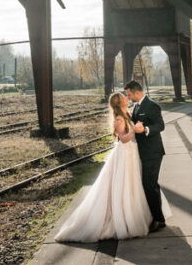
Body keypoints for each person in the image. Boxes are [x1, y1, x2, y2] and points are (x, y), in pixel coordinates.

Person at [55, 90, 170, 242]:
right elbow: (123, 139)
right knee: (124, 185)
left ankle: (138, 215)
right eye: (124, 97)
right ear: (119, 103)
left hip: (131, 153)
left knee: (133, 184)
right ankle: (123, 218)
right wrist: (134, 130)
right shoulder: (120, 119)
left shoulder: (128, 114)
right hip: (125, 153)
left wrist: (138, 128)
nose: (127, 98)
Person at [126, 80, 168, 232]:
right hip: (142, 152)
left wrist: (145, 129)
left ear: (137, 92)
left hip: (153, 152)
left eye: (129, 94)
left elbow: (160, 125)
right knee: (150, 185)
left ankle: (158, 220)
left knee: (149, 185)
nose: (128, 97)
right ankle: (156, 216)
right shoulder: (136, 106)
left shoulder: (152, 105)